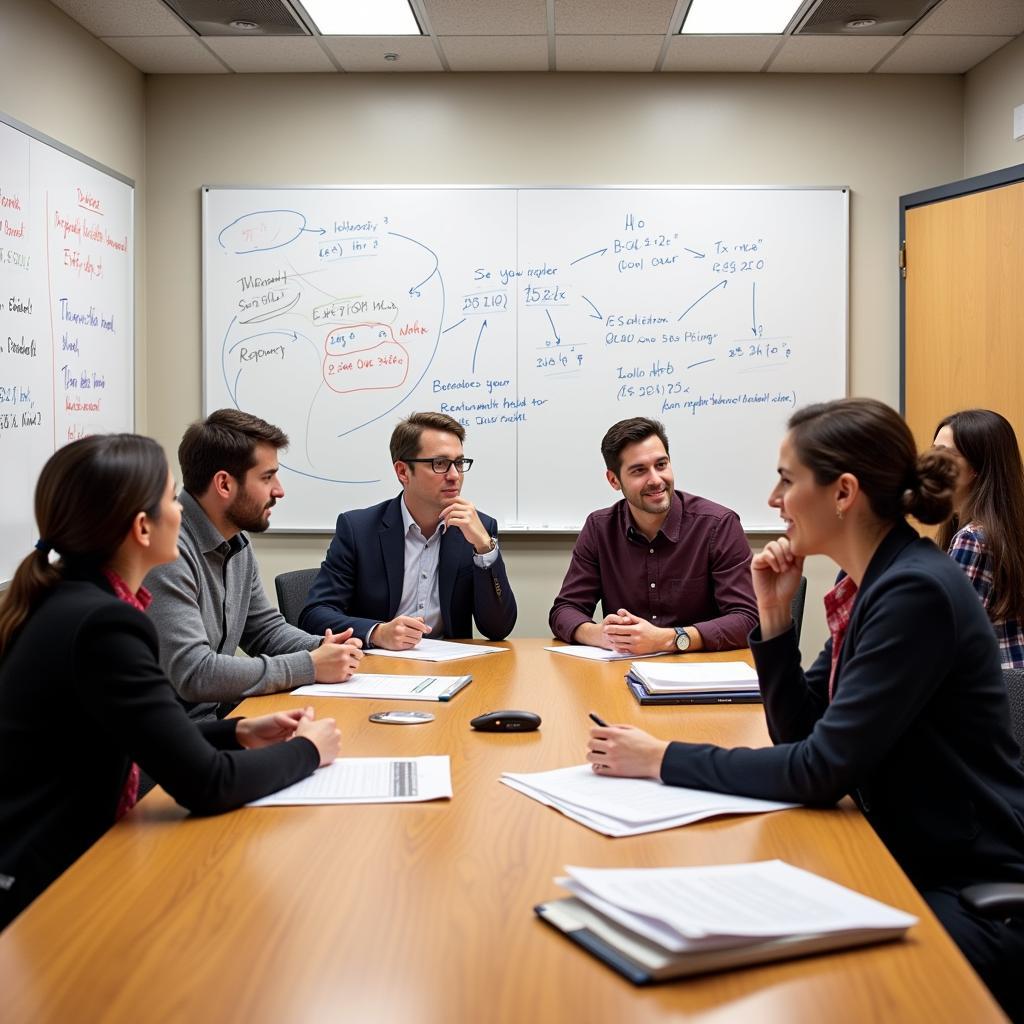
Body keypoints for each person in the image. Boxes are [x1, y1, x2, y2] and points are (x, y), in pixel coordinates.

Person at [585, 398, 1024, 1020]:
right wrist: (773, 619)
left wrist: (662, 758)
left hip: (963, 889)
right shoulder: (874, 585)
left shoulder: (914, 593)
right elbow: (800, 731)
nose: (773, 498)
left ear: (843, 493)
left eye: (788, 480)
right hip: (901, 854)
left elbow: (820, 770)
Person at [0, 434, 340, 930]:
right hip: (53, 890)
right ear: (142, 528)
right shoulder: (104, 625)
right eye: (169, 498)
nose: (180, 511)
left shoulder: (74, 601)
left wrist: (236, 732)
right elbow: (206, 783)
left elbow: (123, 737)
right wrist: (309, 751)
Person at [146, 409, 363, 720]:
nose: (279, 490)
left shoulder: (236, 542)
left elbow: (265, 630)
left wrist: (324, 647)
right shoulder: (168, 551)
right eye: (267, 477)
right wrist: (310, 665)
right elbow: (195, 673)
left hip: (217, 720)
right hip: (173, 738)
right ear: (224, 484)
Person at [300, 411, 516, 649]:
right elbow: (314, 614)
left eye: (459, 463)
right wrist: (377, 632)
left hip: (450, 667)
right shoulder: (358, 530)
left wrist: (484, 548)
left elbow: (498, 629)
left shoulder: (479, 528)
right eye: (440, 464)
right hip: (377, 666)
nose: (454, 476)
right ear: (403, 472)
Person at [548, 416, 757, 654]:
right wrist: (601, 635)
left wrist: (670, 639)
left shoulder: (718, 525)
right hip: (623, 673)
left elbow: (748, 619)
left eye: (661, 465)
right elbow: (564, 610)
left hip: (702, 674)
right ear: (614, 480)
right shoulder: (599, 528)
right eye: (639, 471)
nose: (656, 480)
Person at [933, 409, 1024, 668]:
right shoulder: (1003, 531)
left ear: (976, 468)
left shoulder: (973, 538)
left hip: (994, 693)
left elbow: (942, 634)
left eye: (946, 456)